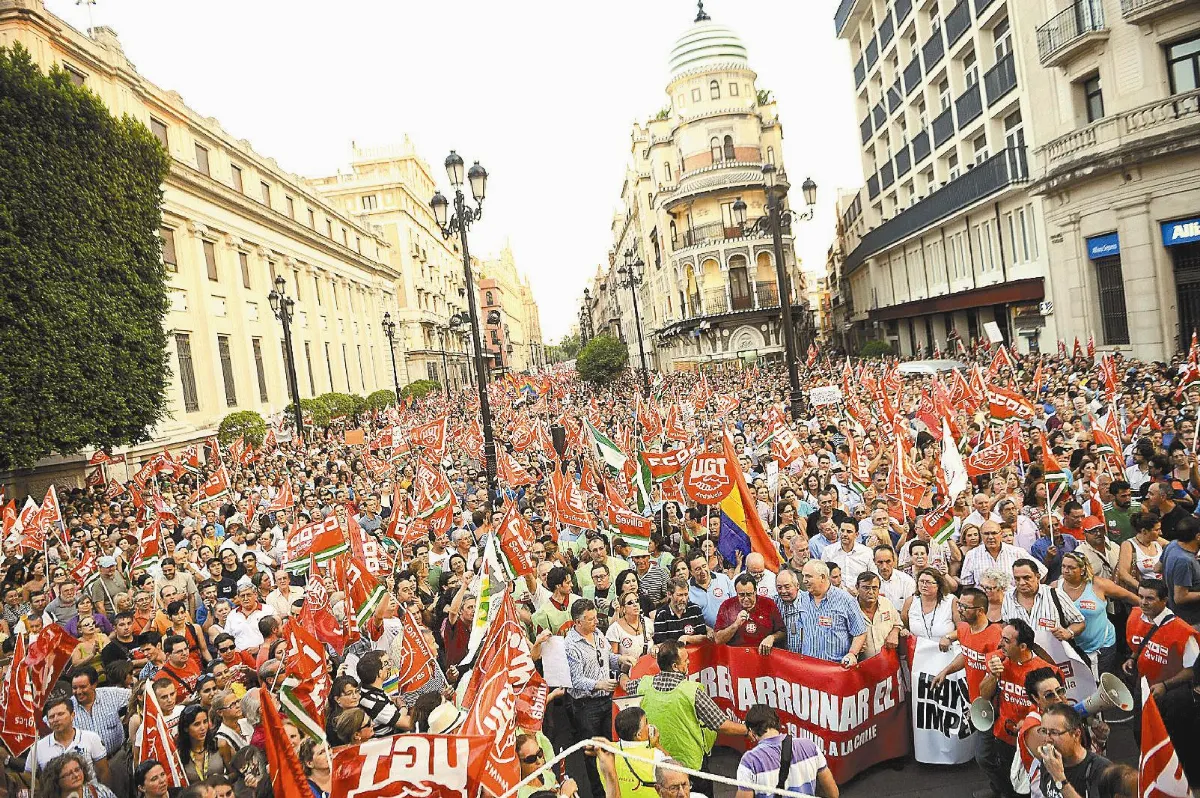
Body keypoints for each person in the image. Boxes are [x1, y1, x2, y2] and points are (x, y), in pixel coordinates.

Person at [622, 641, 747, 798]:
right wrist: (749, 730)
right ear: (675, 666)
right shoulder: (691, 691)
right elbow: (722, 725)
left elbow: (626, 685)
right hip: (691, 767)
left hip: (658, 764)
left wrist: (621, 675)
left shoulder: (644, 684)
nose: (689, 662)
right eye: (686, 659)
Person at [979, 619, 1058, 798]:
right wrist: (992, 675)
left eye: (1007, 641)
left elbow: (1056, 708)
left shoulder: (1045, 671)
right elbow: (984, 695)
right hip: (1004, 736)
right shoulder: (997, 660)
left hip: (1032, 741)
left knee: (1031, 787)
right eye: (1001, 638)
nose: (1000, 644)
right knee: (1008, 779)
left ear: (1023, 646)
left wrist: (1030, 720)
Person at [565, 600, 628, 798]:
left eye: (595, 618)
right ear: (577, 622)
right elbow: (575, 680)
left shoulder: (599, 634)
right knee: (592, 753)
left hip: (606, 701)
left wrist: (620, 660)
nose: (595, 622)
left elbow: (607, 656)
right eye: (590, 619)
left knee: (610, 746)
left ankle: (614, 788)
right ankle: (599, 794)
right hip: (586, 705)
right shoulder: (571, 645)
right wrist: (599, 684)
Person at [1055, 552, 1137, 677]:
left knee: (1101, 682)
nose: (1066, 571)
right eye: (1063, 566)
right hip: (1073, 649)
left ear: (1082, 570)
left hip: (1102, 645)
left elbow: (1127, 596)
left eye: (1071, 568)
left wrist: (1147, 608)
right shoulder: (1055, 588)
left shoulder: (1098, 585)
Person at [735, 704, 838, 798]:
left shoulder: (750, 761)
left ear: (752, 732)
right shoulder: (810, 747)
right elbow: (833, 793)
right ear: (776, 723)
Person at [1122, 578, 1198, 701]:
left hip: (1171, 694)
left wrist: (1165, 686)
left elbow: (1193, 669)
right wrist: (1133, 658)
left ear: (1164, 601)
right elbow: (1141, 643)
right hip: (1142, 686)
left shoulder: (1182, 631)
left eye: (1150, 598)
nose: (1143, 602)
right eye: (1141, 597)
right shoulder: (1135, 616)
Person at [26, 696, 110, 786]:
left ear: (72, 715)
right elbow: (28, 778)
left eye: (60, 714)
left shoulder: (91, 738)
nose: (56, 719)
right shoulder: (38, 748)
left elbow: (103, 772)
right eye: (51, 717)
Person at [797, 561, 865, 667]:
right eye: (803, 576)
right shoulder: (801, 599)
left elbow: (860, 632)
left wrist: (852, 654)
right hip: (809, 670)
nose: (804, 580)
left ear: (823, 577)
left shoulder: (846, 600)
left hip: (836, 670)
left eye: (809, 576)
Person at [1037, 704, 1112, 798]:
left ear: (1076, 734)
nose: (1047, 739)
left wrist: (1060, 779)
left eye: (1054, 733)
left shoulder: (1101, 769)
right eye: (1044, 731)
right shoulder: (1048, 761)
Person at [713, 574, 785, 654]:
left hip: (763, 657)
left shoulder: (768, 604)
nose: (746, 599)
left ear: (755, 591)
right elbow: (718, 640)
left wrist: (772, 637)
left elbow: (782, 632)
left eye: (749, 594)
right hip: (737, 658)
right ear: (736, 592)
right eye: (741, 595)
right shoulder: (727, 606)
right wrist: (735, 625)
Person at [598, 707, 662, 798]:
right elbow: (677, 774)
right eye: (646, 722)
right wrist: (657, 745)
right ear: (639, 735)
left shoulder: (604, 754)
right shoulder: (656, 756)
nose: (650, 725)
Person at [70, 667, 131, 758]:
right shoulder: (67, 708)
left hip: (117, 758)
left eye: (83, 687)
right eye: (75, 688)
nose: (78, 692)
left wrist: (129, 717)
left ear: (94, 685)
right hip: (87, 765)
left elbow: (137, 694)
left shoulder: (111, 694)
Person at [1159, 515, 1200, 626]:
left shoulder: (1172, 544)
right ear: (1198, 536)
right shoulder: (1184, 561)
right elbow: (1180, 597)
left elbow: (1157, 567)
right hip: (1190, 621)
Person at [901, 568, 956, 646]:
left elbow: (963, 628)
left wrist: (948, 637)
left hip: (945, 651)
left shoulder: (951, 600)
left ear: (938, 584)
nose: (924, 585)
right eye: (921, 581)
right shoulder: (910, 601)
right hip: (918, 651)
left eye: (928, 582)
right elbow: (905, 623)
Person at [651, 579, 710, 647]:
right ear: (669, 594)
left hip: (695, 654)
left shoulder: (695, 609)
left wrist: (687, 638)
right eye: (680, 595)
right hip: (673, 656)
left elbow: (703, 637)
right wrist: (679, 643)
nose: (684, 599)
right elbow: (660, 644)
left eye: (686, 594)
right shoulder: (661, 614)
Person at [176, 704, 225, 784]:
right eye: (197, 724)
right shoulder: (179, 754)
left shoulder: (220, 744)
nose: (203, 728)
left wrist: (223, 778)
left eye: (205, 722)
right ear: (185, 728)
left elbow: (234, 773)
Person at [856, 571, 901, 658]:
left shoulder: (886, 603)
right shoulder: (850, 608)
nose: (871, 592)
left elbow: (898, 624)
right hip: (862, 664)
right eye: (866, 588)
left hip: (888, 661)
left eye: (874, 588)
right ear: (857, 587)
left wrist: (894, 633)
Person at [36, 751, 118, 798]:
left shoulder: (100, 791)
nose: (75, 775)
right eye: (68, 774)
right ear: (56, 780)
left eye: (77, 770)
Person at [686, 552, 736, 628]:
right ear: (691, 572)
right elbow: (688, 617)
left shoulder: (723, 579)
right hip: (703, 635)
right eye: (698, 569)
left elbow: (736, 603)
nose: (703, 571)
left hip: (728, 630)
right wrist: (706, 629)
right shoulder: (687, 588)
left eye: (704, 566)